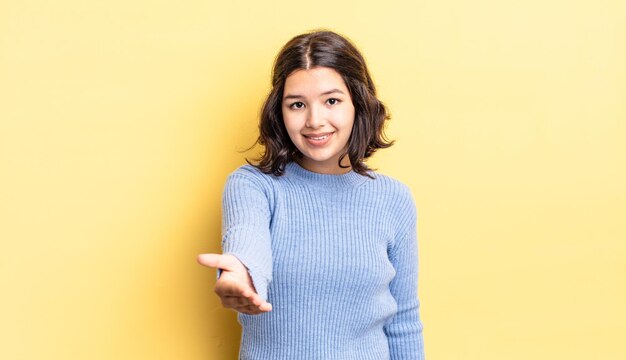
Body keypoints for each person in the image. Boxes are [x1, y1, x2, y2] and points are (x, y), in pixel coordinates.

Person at [197, 29, 425, 360]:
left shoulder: (394, 199)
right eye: (297, 105)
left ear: (357, 103)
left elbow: (404, 321)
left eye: (331, 101)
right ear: (280, 111)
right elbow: (247, 242)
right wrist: (242, 273)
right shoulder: (254, 186)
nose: (314, 121)